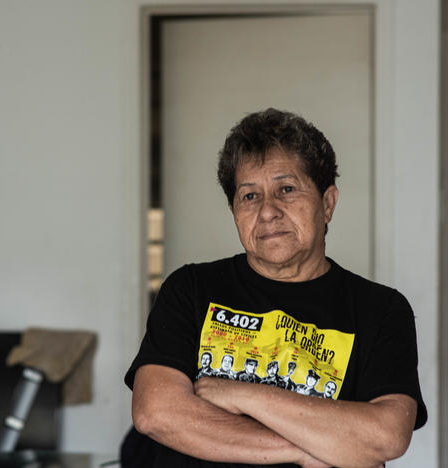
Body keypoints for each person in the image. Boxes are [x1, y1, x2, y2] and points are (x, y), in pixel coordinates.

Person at [124, 108, 427, 467]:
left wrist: (241, 395)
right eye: (249, 196)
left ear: (327, 203)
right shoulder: (190, 289)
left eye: (286, 189)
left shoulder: (380, 310)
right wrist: (308, 449)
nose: (268, 211)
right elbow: (156, 413)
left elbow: (386, 436)